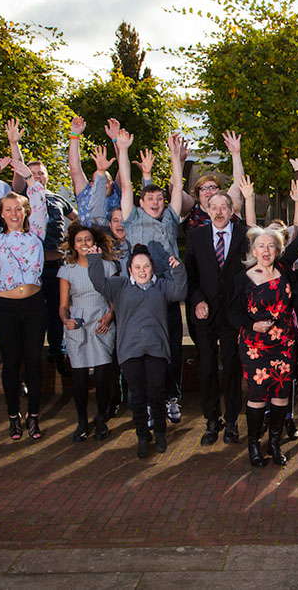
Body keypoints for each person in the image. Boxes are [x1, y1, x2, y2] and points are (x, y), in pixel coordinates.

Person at [228, 180, 298, 466]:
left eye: (271, 246)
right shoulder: (242, 279)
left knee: (282, 394)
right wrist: (249, 326)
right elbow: (232, 313)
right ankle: (254, 447)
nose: (266, 250)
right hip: (255, 345)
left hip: (284, 343)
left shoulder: (283, 268)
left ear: (277, 249)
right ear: (253, 250)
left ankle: (275, 444)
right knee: (257, 396)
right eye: (261, 246)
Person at [88, 244, 188, 458]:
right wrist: (95, 260)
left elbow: (180, 291)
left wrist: (178, 270)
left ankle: (160, 433)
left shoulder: (161, 287)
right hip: (130, 352)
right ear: (130, 269)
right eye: (137, 267)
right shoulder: (120, 286)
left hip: (156, 350)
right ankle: (143, 436)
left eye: (146, 266)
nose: (142, 271)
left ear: (152, 267)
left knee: (156, 393)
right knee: (138, 398)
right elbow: (99, 284)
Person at [116, 129, 186, 424]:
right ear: (142, 202)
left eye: (159, 198)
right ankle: (142, 404)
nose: (156, 202)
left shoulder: (170, 216)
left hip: (165, 293)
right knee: (138, 351)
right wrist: (122, 150)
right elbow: (127, 186)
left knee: (171, 348)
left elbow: (178, 184)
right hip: (136, 296)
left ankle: (171, 397)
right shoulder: (132, 218)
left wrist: (174, 157)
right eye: (151, 199)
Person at [0, 157, 49, 440]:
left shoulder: (37, 235)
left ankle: (33, 416)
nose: (14, 212)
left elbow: (40, 202)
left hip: (33, 306)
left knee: (33, 361)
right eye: (8, 209)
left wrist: (28, 179)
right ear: (2, 213)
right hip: (5, 308)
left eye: (18, 208)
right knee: (11, 363)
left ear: (24, 211)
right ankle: (13, 416)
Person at [6, 119, 79, 378]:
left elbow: (77, 220)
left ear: (47, 176)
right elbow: (18, 173)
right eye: (32, 174)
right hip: (30, 270)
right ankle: (31, 365)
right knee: (33, 317)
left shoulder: (58, 198)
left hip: (57, 266)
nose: (37, 177)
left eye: (41, 173)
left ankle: (58, 354)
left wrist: (75, 245)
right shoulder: (22, 199)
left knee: (60, 310)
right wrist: (15, 144)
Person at [185, 190, 250, 446]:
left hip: (233, 315)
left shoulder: (245, 235)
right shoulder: (196, 235)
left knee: (233, 367)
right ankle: (212, 420)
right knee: (208, 367)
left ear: (231, 211)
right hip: (205, 313)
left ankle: (232, 420)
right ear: (207, 210)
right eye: (214, 207)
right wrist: (198, 299)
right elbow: (190, 275)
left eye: (224, 207)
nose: (219, 212)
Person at [58, 223, 118, 442]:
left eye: (88, 240)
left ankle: (101, 419)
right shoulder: (67, 270)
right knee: (80, 377)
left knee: (103, 375)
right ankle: (82, 421)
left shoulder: (109, 267)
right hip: (79, 322)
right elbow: (64, 304)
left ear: (95, 243)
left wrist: (110, 316)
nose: (84, 244)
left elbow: (114, 299)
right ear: (74, 245)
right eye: (79, 240)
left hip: (101, 320)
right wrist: (66, 320)